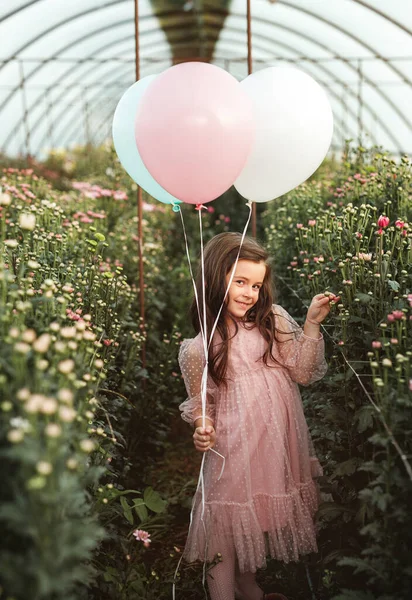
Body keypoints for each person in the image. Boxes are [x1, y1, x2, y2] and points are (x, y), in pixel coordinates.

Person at [178, 232, 337, 600]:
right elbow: (201, 403)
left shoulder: (273, 320)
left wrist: (311, 324)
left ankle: (248, 584)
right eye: (240, 282)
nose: (249, 292)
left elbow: (302, 370)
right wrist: (203, 427)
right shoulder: (201, 347)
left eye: (256, 284)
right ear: (216, 278)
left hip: (274, 442)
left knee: (254, 516)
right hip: (233, 445)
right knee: (225, 519)